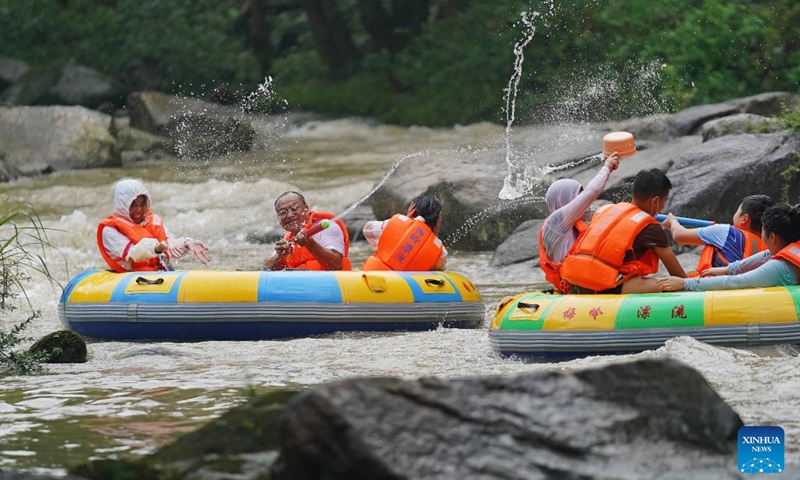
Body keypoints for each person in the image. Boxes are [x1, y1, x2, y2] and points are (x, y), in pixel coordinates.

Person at [561, 168, 686, 294]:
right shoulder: (651, 228)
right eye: (663, 203)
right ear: (655, 201)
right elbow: (678, 274)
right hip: (604, 285)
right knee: (673, 284)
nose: (661, 208)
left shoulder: (605, 210)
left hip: (574, 281)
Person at [658, 203, 800, 292]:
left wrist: (685, 284)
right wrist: (727, 269)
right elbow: (767, 255)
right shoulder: (790, 246)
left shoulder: (780, 267)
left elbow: (737, 281)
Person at [539, 153, 620, 292]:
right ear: (564, 199)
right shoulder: (555, 223)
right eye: (578, 195)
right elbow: (592, 191)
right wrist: (606, 167)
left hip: (586, 282)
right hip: (575, 288)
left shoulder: (575, 223)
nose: (584, 203)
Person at [97, 179, 210, 272]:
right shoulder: (109, 230)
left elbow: (170, 244)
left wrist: (187, 242)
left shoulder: (152, 221)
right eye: (133, 205)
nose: (139, 210)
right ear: (123, 205)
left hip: (158, 276)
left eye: (142, 204)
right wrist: (156, 247)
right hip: (129, 280)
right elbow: (133, 253)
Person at [661, 194, 774, 276]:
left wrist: (672, 221)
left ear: (744, 219)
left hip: (716, 293)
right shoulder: (772, 243)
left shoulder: (725, 232)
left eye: (737, 212)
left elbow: (679, 235)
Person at [262, 191, 351, 271]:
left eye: (294, 209)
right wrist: (280, 255)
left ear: (306, 208)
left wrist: (309, 244)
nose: (289, 215)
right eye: (283, 213)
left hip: (335, 285)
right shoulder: (287, 239)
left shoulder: (326, 227)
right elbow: (266, 269)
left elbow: (335, 264)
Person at [361, 192, 447, 271]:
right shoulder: (440, 252)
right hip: (400, 286)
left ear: (412, 211)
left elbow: (366, 230)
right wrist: (435, 237)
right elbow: (440, 272)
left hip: (368, 278)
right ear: (438, 220)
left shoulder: (393, 224)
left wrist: (407, 222)